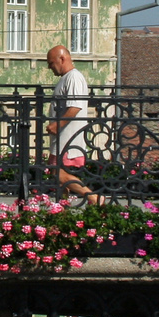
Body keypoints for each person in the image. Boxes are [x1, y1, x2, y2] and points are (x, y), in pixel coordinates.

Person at [46, 45, 102, 205]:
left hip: (68, 137)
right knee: (57, 177)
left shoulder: (73, 77)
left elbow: (75, 106)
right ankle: (61, 211)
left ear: (62, 59)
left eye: (51, 63)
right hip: (62, 137)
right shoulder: (67, 78)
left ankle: (94, 198)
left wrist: (57, 125)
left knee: (60, 175)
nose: (50, 67)